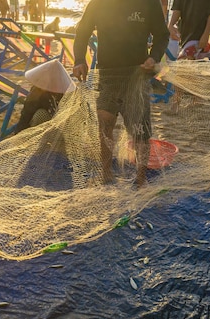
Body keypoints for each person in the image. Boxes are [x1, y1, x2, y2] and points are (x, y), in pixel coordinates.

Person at [73, 0, 169, 188]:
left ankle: (140, 179)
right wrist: (78, 59)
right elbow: (82, 31)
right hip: (108, 75)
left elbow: (162, 35)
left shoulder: (149, 3)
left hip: (137, 76)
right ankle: (106, 173)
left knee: (140, 130)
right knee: (105, 124)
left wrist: (154, 57)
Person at [14, 59, 74, 133]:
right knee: (40, 114)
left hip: (59, 127)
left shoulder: (62, 92)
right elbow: (27, 113)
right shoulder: (37, 93)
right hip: (43, 129)